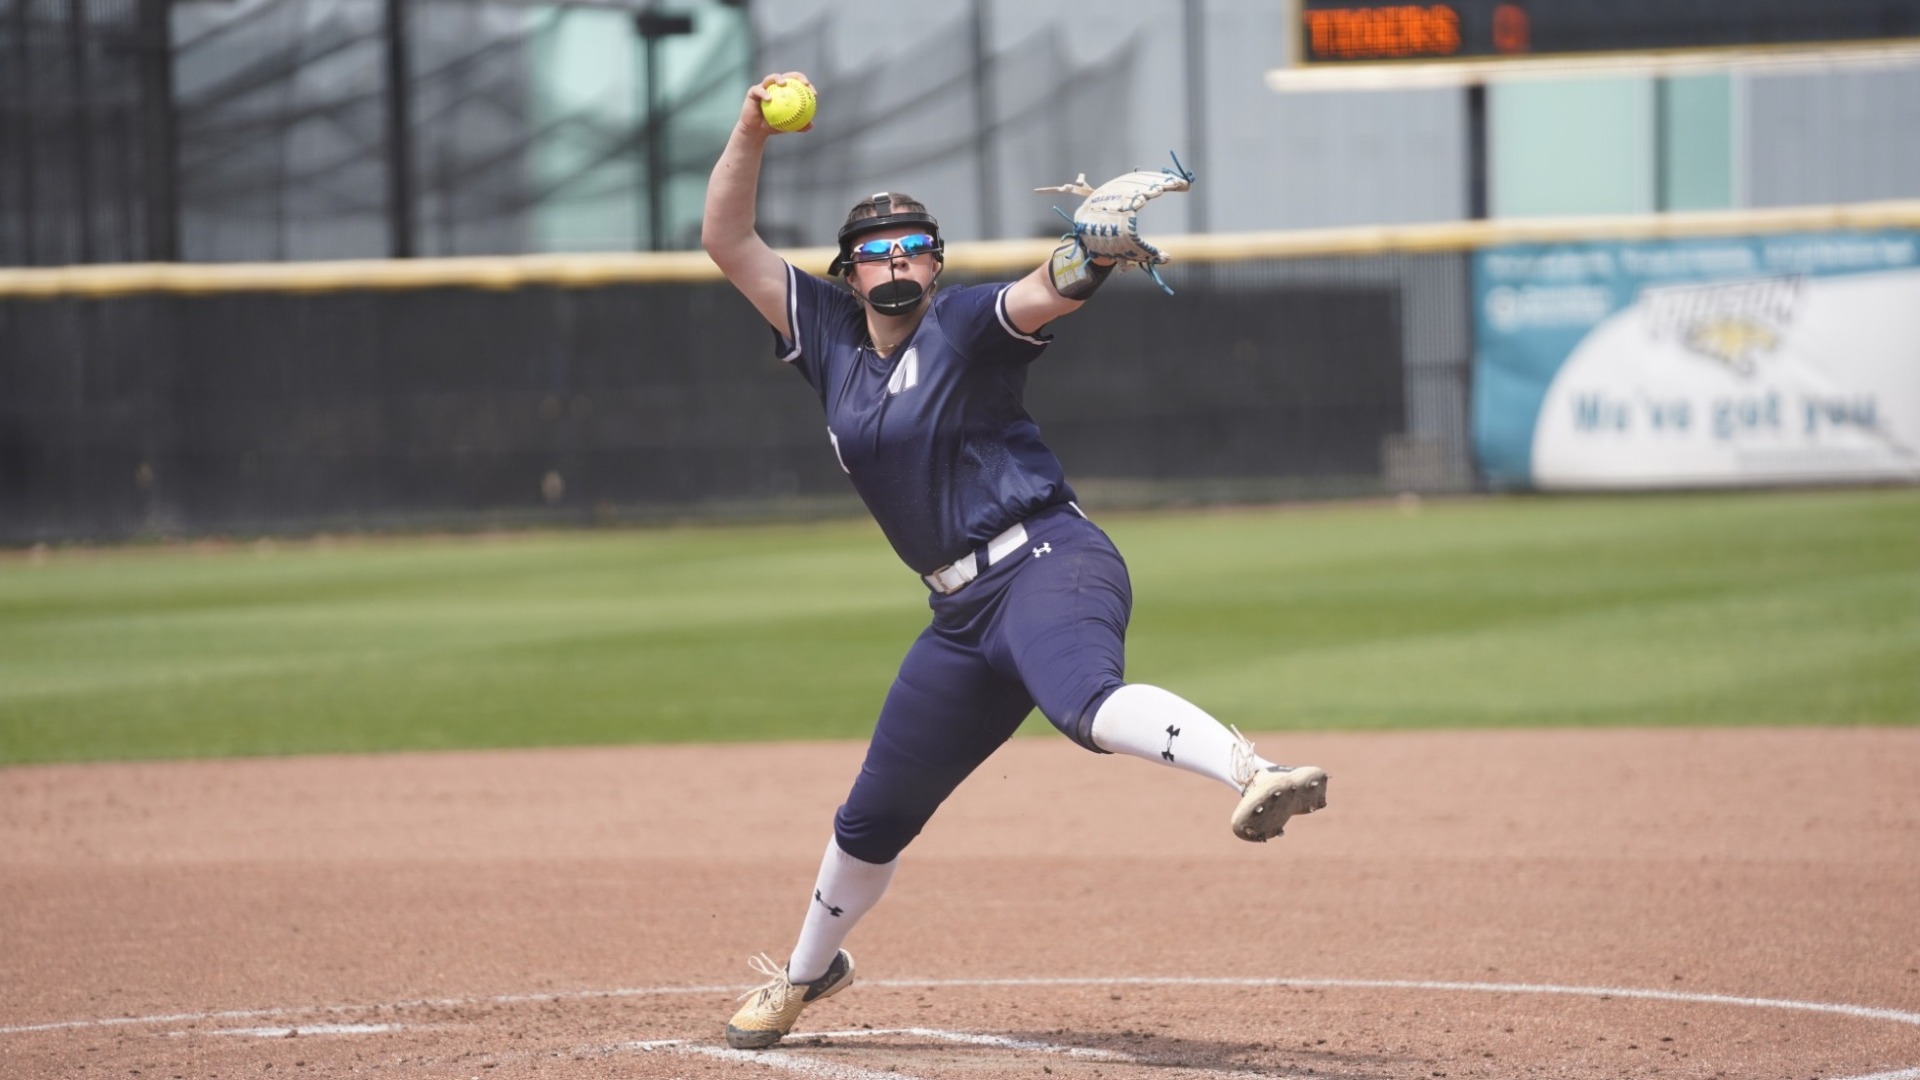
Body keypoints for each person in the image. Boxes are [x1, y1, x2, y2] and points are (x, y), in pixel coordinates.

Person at [700, 72, 1329, 1051]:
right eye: (877, 253)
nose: (897, 262)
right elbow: (726, 239)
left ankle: (1254, 768)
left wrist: (1093, 252)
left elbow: (1048, 291)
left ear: (938, 262)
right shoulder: (824, 340)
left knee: (1082, 701)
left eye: (916, 247)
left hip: (1046, 558)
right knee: (872, 817)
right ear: (848, 272)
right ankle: (803, 976)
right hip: (959, 618)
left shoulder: (959, 324)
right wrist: (750, 124)